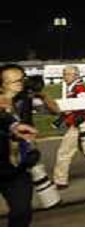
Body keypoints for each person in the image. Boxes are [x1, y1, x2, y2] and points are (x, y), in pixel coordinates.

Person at [0, 64, 40, 226]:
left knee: (22, 213)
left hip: (18, 168)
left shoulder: (26, 99)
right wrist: (13, 126)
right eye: (13, 81)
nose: (20, 83)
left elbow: (54, 110)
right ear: (2, 84)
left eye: (21, 80)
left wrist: (42, 95)